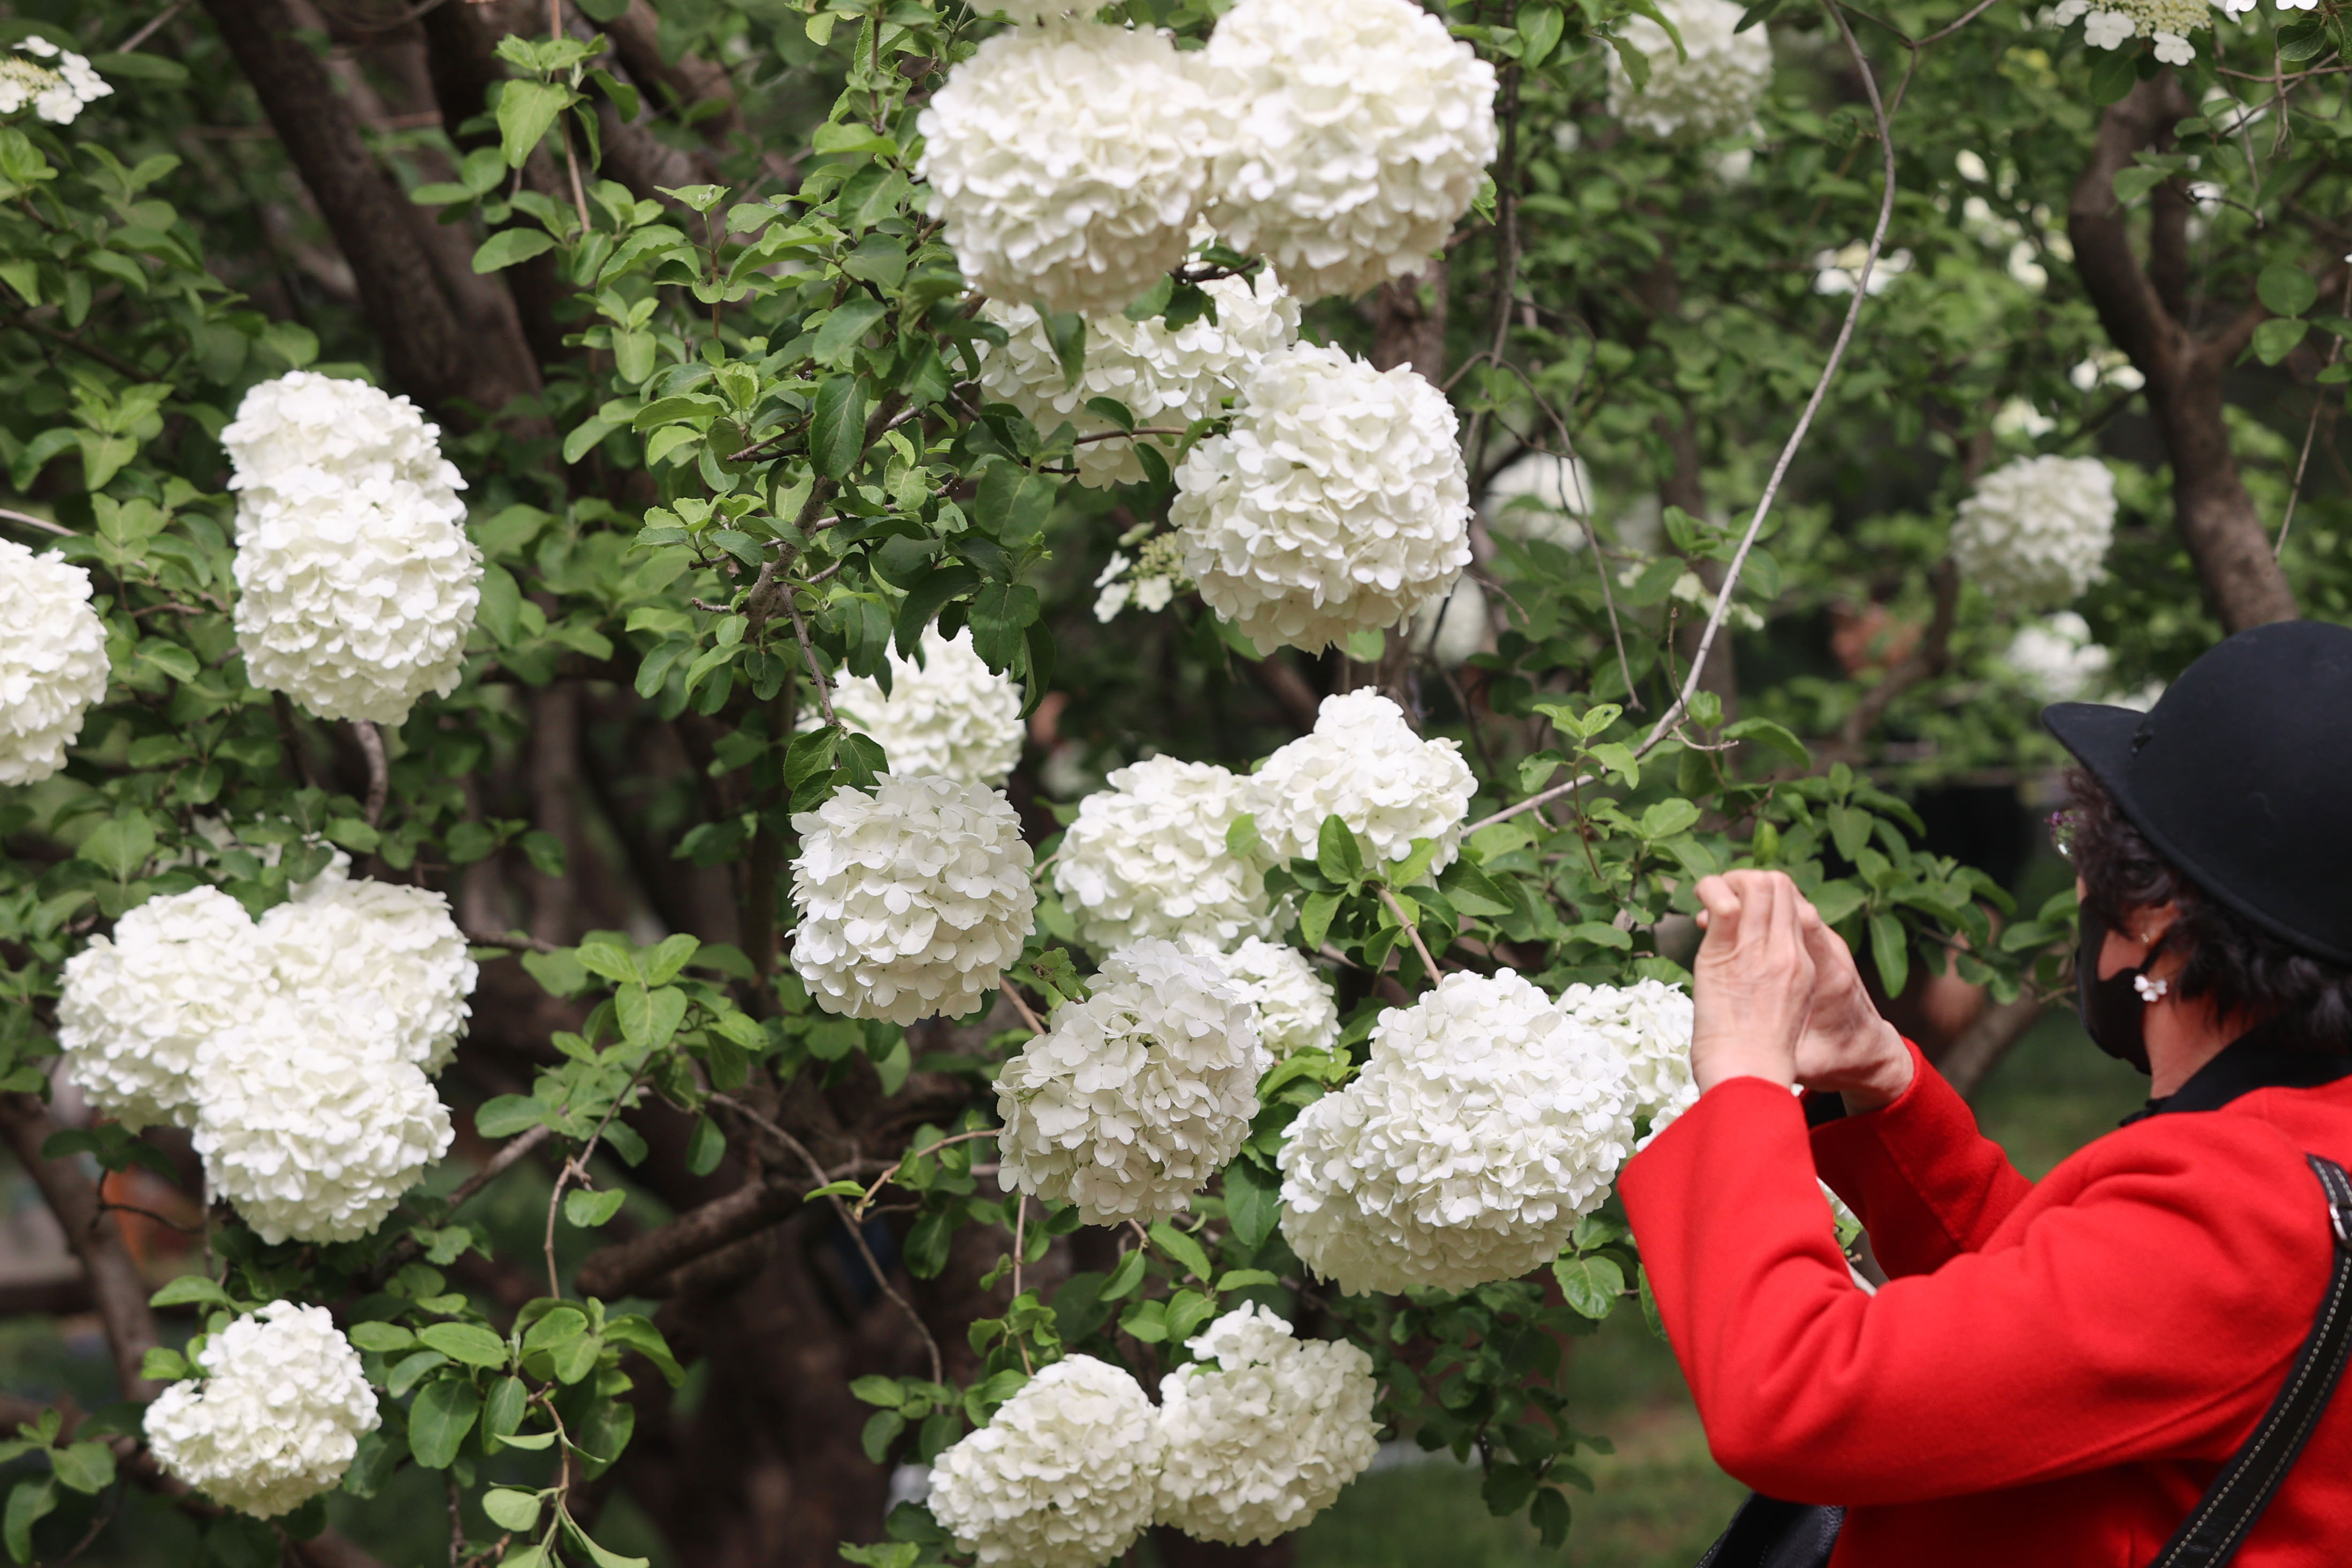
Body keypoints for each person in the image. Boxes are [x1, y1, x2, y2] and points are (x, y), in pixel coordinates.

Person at [1620, 619, 2352, 1565]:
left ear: (2151, 915)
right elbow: (2071, 1332)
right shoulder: (2291, 1154)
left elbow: (1793, 1396)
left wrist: (1746, 1082)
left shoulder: (2241, 1212)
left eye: (2082, 849)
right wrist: (1885, 1085)